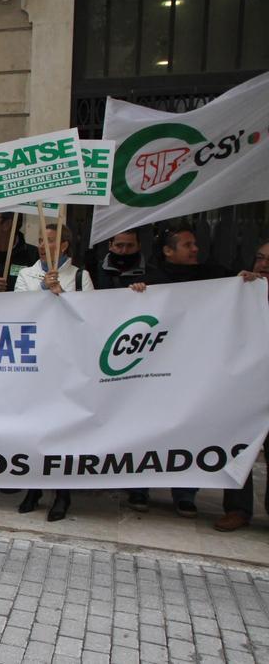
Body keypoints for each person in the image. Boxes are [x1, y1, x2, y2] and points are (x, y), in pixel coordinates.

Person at [125, 226, 231, 517]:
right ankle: (139, 488)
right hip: (154, 372)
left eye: (194, 244)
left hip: (193, 370)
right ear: (168, 251)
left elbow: (239, 293)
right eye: (187, 245)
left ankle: (185, 493)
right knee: (146, 429)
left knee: (189, 428)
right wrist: (136, 295)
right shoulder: (152, 280)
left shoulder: (214, 276)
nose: (195, 249)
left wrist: (248, 282)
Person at [13, 224, 93, 521]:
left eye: (51, 241)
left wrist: (63, 295)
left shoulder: (81, 277)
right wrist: (43, 291)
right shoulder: (26, 275)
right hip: (34, 360)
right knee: (34, 426)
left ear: (64, 246)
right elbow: (17, 309)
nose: (44, 246)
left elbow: (88, 316)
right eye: (40, 241)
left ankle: (62, 492)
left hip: (66, 362)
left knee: (63, 428)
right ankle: (33, 487)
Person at [215, 240, 269, 532]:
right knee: (239, 446)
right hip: (248, 384)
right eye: (260, 257)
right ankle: (237, 509)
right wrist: (236, 292)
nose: (263, 264)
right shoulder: (246, 290)